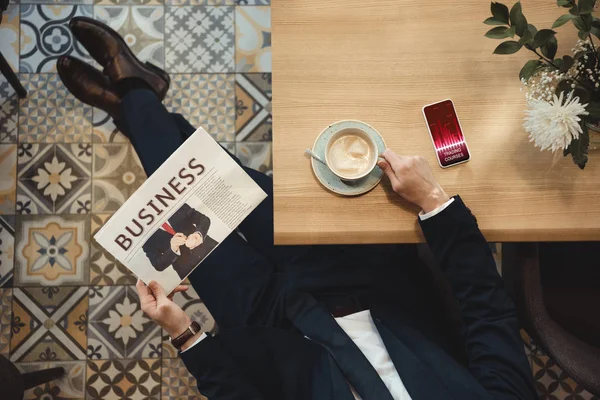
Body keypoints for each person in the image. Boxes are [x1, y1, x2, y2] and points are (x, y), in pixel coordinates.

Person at [58, 16, 538, 400]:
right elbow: (487, 312)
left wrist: (185, 334)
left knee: (181, 201)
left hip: (265, 322)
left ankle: (139, 101)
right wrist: (434, 202)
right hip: (358, 277)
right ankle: (138, 102)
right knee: (219, 182)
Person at [142, 203, 218, 280]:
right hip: (190, 270)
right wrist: (173, 249)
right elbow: (158, 265)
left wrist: (198, 235)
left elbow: (203, 219)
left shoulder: (173, 204)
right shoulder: (144, 237)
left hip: (211, 249)